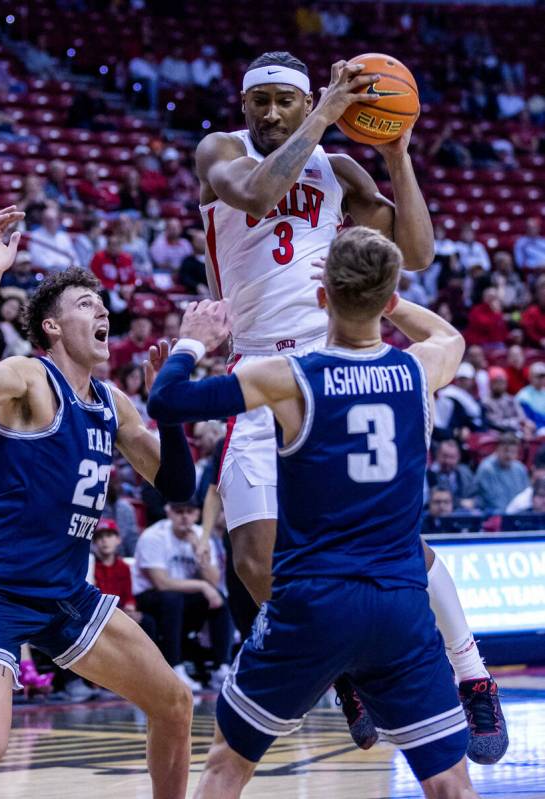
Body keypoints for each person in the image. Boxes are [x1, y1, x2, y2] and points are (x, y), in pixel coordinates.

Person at [195, 52, 504, 764]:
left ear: (306, 103)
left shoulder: (338, 171)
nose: (269, 113)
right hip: (257, 366)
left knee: (388, 538)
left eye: (284, 101)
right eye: (259, 101)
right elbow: (254, 197)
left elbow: (416, 252)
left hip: (334, 358)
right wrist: (328, 114)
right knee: (252, 556)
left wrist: (395, 156)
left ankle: (470, 672)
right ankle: (345, 669)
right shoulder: (221, 151)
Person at [147, 227, 490, 797]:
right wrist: (393, 300)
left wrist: (191, 341)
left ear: (321, 296)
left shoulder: (289, 380)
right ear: (384, 301)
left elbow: (167, 401)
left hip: (313, 605)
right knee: (451, 784)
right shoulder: (420, 370)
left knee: (227, 764)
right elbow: (446, 333)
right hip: (398, 607)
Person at [0, 207, 194, 799]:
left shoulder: (114, 403)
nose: (101, 311)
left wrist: (169, 407)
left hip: (64, 593)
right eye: (85, 305)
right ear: (51, 327)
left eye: (102, 305)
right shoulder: (30, 376)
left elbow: (176, 487)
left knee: (174, 703)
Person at [133, 498, 233, 692]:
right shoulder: (153, 536)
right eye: (179, 512)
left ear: (197, 514)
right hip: (149, 597)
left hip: (183, 597)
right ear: (168, 512)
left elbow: (213, 580)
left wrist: (198, 549)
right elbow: (161, 583)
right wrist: (202, 586)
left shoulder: (200, 536)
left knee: (219, 598)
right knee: (173, 598)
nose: (185, 517)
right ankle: (174, 666)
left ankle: (221, 666)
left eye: (189, 512)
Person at [90, 519, 155, 640]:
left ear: (118, 540)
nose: (104, 541)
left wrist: (130, 607)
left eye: (109, 535)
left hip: (121, 611)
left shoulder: (123, 567)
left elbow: (128, 596)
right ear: (94, 542)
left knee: (147, 621)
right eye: (99, 537)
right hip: (100, 613)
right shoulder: (90, 566)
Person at [473, 432, 530, 513]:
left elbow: (525, 497)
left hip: (517, 515)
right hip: (492, 516)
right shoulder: (486, 469)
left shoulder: (520, 469)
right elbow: (492, 502)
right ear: (497, 449)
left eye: (513, 452)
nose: (509, 455)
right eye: (506, 451)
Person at [426, 439, 475, 510]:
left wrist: (474, 502)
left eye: (452, 457)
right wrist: (460, 503)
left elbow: (477, 495)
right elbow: (437, 499)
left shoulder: (465, 472)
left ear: (458, 457)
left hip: (466, 516)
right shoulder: (430, 475)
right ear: (437, 455)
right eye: (445, 456)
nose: (447, 461)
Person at [516, 362, 545, 432]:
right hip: (535, 430)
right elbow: (525, 419)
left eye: (543, 376)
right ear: (530, 377)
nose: (541, 379)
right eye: (538, 376)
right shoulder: (523, 396)